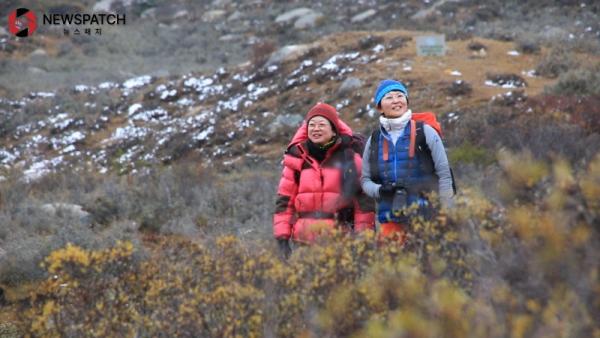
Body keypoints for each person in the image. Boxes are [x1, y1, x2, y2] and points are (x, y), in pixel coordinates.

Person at [273, 103, 375, 257]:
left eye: (322, 125)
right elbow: (284, 203)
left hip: (342, 244)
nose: (316, 129)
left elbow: (363, 203)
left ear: (334, 130)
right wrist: (282, 239)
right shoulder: (296, 160)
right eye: (311, 125)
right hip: (304, 245)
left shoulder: (350, 158)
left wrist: (364, 238)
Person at [361, 79, 454, 243]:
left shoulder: (425, 132)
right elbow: (365, 181)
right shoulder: (374, 140)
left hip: (427, 218)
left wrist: (446, 213)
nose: (396, 100)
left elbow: (445, 175)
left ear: (406, 100)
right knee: (393, 267)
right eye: (389, 97)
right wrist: (381, 190)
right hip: (390, 219)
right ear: (379, 106)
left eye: (400, 95)